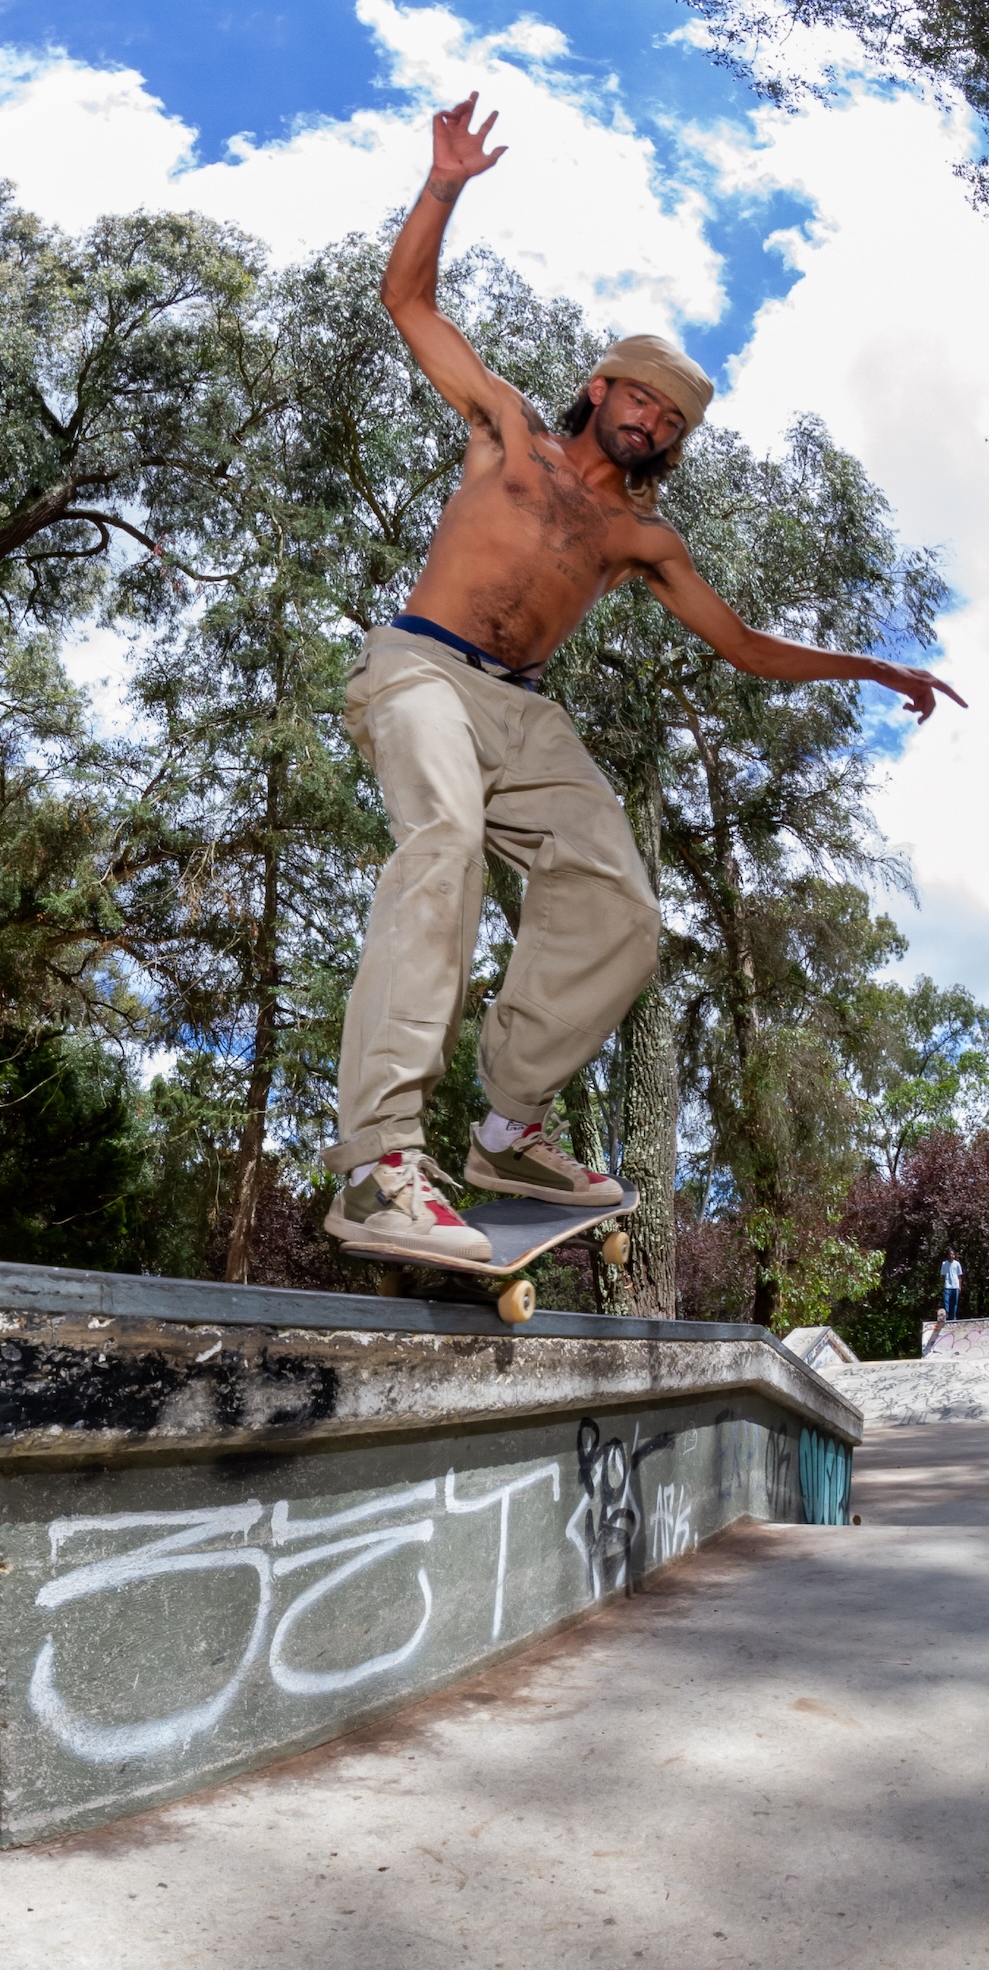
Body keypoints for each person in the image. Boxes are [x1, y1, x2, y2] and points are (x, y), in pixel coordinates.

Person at [325, 94, 965, 1267]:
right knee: (444, 846)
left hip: (521, 711)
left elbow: (747, 645)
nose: (650, 422)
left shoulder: (642, 542)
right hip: (419, 667)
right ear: (602, 389)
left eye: (670, 420)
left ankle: (510, 1127)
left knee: (620, 901)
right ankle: (377, 1162)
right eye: (640, 397)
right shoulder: (505, 432)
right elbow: (406, 302)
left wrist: (866, 664)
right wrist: (445, 186)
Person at [941, 1249, 964, 1320]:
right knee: (946, 1301)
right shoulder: (944, 1264)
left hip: (955, 1285)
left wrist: (959, 1286)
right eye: (950, 1254)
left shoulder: (957, 1264)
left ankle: (953, 1316)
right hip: (948, 1285)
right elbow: (943, 1275)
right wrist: (943, 1284)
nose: (951, 1255)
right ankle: (946, 1314)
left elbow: (959, 1276)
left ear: (954, 1255)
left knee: (954, 1303)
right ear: (948, 1255)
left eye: (952, 1254)